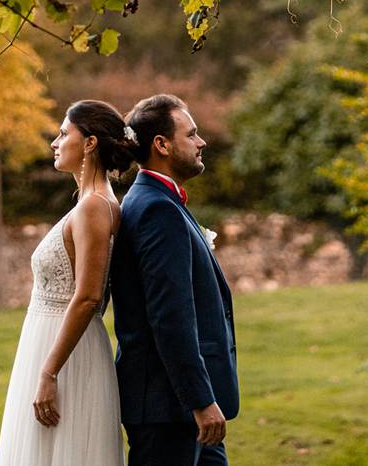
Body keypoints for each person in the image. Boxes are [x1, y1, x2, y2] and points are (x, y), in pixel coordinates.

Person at [0, 100, 133, 466]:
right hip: (50, 343)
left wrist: (48, 371)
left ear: (89, 143)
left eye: (62, 134)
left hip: (67, 356)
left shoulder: (94, 207)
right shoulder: (90, 203)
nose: (55, 143)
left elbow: (88, 296)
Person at [111, 93, 239, 466]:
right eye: (192, 134)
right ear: (162, 145)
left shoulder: (160, 203)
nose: (202, 142)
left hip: (181, 408)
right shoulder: (154, 210)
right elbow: (170, 318)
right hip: (169, 409)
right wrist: (199, 401)